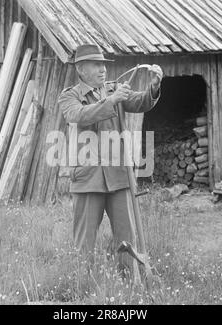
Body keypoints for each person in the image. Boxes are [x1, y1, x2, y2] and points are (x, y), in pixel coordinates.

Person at [58, 44, 163, 275]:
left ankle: (129, 285)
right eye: (97, 65)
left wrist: (153, 88)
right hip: (88, 179)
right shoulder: (69, 96)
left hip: (119, 176)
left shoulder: (114, 89)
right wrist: (112, 101)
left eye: (104, 64)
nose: (103, 69)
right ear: (81, 69)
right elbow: (79, 116)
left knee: (127, 238)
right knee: (85, 242)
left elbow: (139, 102)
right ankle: (83, 286)